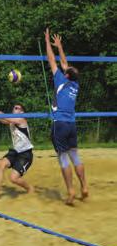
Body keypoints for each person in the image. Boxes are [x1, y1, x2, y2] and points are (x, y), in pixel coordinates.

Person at [45, 28, 88, 205]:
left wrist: (48, 42)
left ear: (66, 74)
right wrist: (60, 47)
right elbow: (64, 62)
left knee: (63, 157)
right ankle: (84, 187)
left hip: (60, 124)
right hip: (71, 124)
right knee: (75, 156)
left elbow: (52, 60)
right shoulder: (74, 84)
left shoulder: (61, 80)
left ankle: (70, 191)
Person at [0, 98, 34, 200]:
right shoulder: (12, 121)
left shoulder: (21, 119)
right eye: (14, 108)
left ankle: (29, 188)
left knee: (13, 179)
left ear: (22, 112)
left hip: (25, 154)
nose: (14, 109)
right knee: (1, 164)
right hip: (15, 152)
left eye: (16, 108)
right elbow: (1, 117)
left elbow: (3, 115)